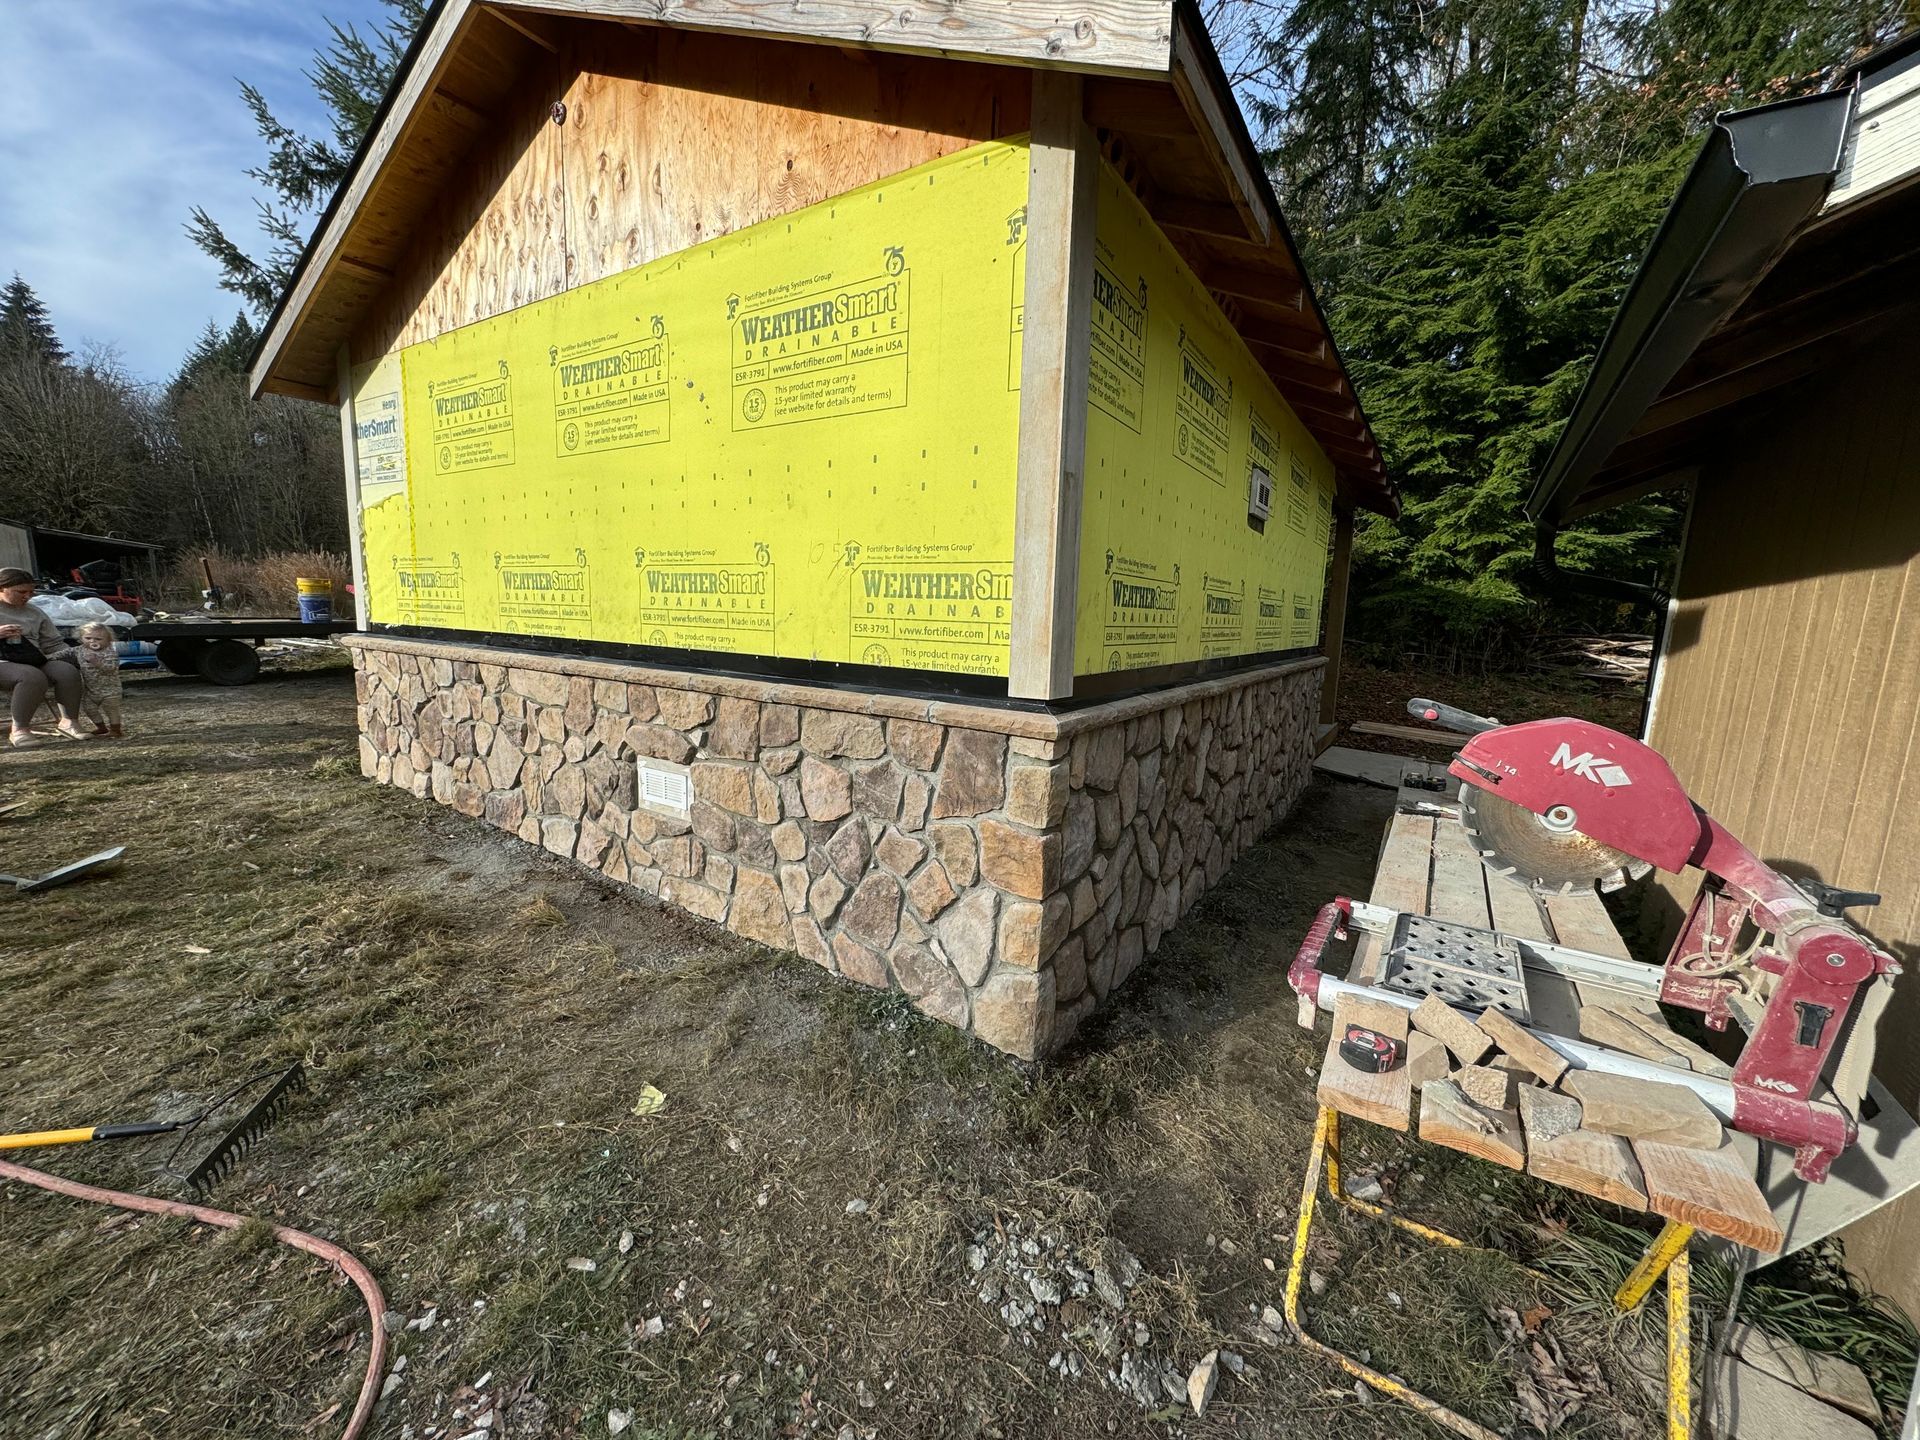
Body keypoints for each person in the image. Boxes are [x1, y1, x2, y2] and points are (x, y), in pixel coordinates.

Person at [0, 566, 89, 747]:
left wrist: (76, 655)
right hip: (4, 661)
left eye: (31, 592)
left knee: (67, 671)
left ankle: (69, 722)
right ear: (2, 589)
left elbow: (53, 643)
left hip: (32, 657)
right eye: (21, 592)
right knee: (31, 676)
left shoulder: (34, 612)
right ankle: (20, 730)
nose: (27, 596)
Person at [74, 621, 125, 738]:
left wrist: (97, 663)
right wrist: (50, 657)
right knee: (89, 708)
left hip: (110, 689)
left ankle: (116, 729)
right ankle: (101, 727)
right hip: (91, 690)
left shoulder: (109, 652)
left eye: (98, 639)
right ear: (81, 638)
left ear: (108, 640)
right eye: (88, 638)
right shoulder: (80, 650)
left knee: (111, 709)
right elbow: (66, 652)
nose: (93, 641)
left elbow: (111, 668)